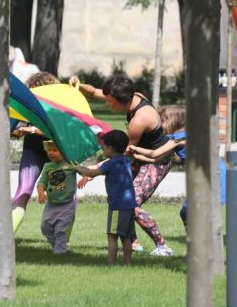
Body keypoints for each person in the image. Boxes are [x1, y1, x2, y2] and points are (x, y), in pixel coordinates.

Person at [74, 73, 173, 256]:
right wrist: (78, 85)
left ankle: (163, 247)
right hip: (137, 157)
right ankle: (133, 243)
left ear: (121, 100)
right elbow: (95, 92)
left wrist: (93, 171)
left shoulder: (139, 120)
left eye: (110, 102)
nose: (106, 104)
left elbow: (123, 155)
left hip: (156, 162)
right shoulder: (129, 96)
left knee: (131, 204)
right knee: (122, 198)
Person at [127, 104, 226, 228]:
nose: (158, 125)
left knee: (191, 211)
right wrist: (135, 155)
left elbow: (154, 153)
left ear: (173, 121)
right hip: (212, 170)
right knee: (189, 211)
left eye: (162, 121)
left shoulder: (178, 139)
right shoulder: (185, 135)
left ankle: (200, 239)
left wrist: (135, 149)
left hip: (210, 173)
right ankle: (199, 238)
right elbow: (157, 158)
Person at [74, 130, 137, 266]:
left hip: (118, 206)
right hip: (129, 204)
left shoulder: (111, 162)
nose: (103, 149)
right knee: (126, 237)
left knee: (112, 236)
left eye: (104, 146)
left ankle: (111, 265)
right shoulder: (125, 160)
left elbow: (92, 173)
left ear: (111, 148)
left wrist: (75, 167)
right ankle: (128, 264)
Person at [11, 71, 60, 232]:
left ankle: (61, 242)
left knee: (64, 196)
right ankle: (5, 237)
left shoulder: (59, 106)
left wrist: (31, 130)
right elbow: (18, 124)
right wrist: (16, 130)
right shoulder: (28, 106)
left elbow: (58, 131)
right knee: (23, 191)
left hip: (59, 153)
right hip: (33, 149)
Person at [35, 140, 77, 254]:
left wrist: (86, 177)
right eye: (49, 150)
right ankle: (58, 245)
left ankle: (60, 252)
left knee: (60, 230)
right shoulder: (48, 166)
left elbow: (85, 171)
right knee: (45, 228)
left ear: (64, 152)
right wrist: (41, 193)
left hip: (66, 204)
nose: (51, 153)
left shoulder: (71, 164)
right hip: (51, 204)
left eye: (55, 150)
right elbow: (41, 182)